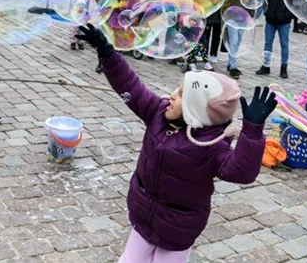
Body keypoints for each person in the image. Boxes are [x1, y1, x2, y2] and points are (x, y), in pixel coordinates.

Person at [74, 24, 276, 263]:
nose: (171, 95)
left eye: (181, 95)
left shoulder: (211, 145)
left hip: (178, 227)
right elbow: (131, 87)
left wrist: (252, 132)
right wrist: (108, 54)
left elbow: (241, 172)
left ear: (195, 109)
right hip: (143, 214)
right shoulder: (158, 112)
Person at [256, 0, 293, 79]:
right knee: (268, 43)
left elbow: (295, 4)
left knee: (284, 44)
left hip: (284, 22)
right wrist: (267, 13)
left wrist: (287, 16)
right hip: (271, 20)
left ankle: (284, 68)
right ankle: (266, 66)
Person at [225, 0, 256, 79]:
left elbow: (252, 0)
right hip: (232, 15)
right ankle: (233, 67)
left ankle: (230, 62)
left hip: (244, 16)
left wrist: (251, 15)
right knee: (233, 40)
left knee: (238, 41)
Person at [197, 0, 225, 65]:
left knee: (217, 35)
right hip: (207, 11)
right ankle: (205, 54)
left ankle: (214, 54)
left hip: (218, 11)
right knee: (206, 35)